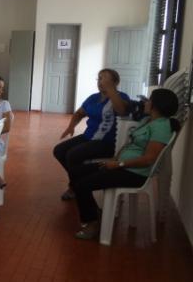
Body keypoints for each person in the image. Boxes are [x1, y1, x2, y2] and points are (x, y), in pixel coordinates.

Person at [70, 88, 179, 240]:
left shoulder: (161, 126)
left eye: (149, 100)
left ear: (156, 105)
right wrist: (115, 159)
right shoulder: (148, 120)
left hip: (134, 173)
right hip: (123, 165)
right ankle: (94, 212)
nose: (146, 102)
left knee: (82, 185)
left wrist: (118, 164)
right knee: (76, 172)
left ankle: (91, 223)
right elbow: (131, 144)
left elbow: (149, 159)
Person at [53, 69, 130, 201]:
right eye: (99, 78)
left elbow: (122, 110)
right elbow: (79, 113)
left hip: (107, 142)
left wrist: (111, 90)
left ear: (115, 82)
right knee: (59, 150)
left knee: (73, 155)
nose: (101, 81)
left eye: (105, 78)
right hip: (89, 137)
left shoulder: (121, 97)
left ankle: (75, 188)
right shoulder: (93, 98)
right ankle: (80, 182)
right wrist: (71, 127)